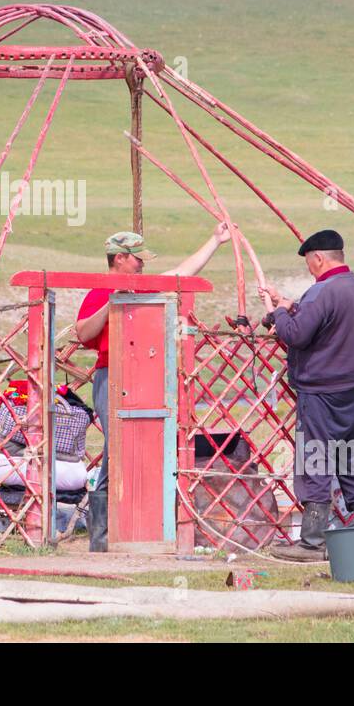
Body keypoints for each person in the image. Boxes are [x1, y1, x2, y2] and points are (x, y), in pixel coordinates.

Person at [73, 224, 233, 550]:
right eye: (137, 260)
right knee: (117, 449)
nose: (143, 265)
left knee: (145, 448)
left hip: (147, 378)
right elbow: (82, 333)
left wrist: (215, 240)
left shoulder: (145, 287)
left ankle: (134, 532)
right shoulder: (97, 292)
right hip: (111, 377)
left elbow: (181, 273)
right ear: (119, 258)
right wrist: (111, 304)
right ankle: (102, 538)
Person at [258, 229, 354, 562]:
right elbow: (324, 324)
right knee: (349, 458)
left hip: (322, 391)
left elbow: (297, 334)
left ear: (319, 258)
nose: (310, 269)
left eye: (310, 262)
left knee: (316, 461)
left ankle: (311, 543)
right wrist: (289, 306)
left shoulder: (322, 291)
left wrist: (280, 311)